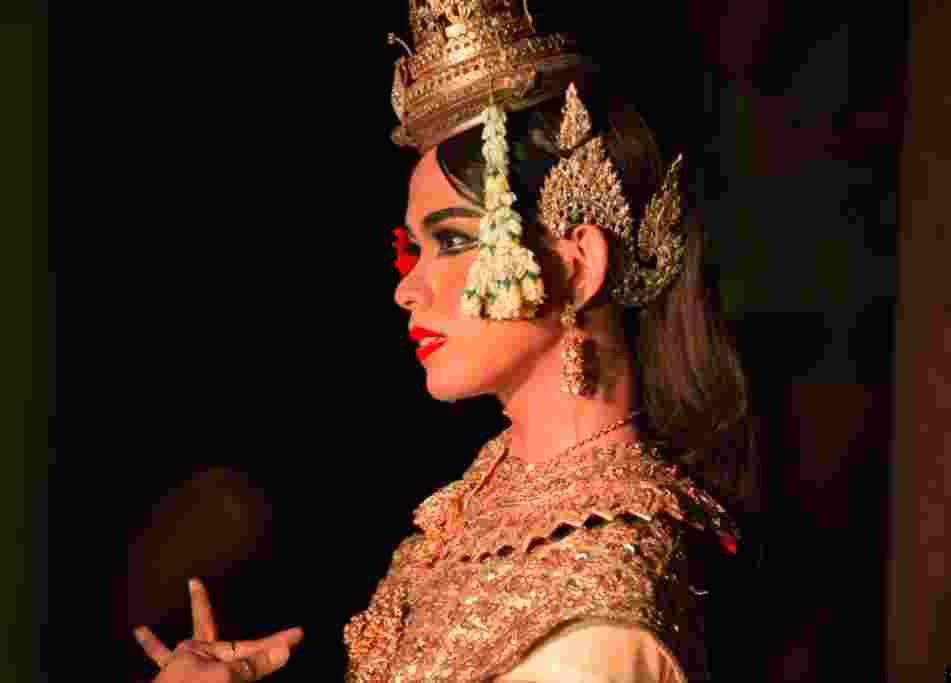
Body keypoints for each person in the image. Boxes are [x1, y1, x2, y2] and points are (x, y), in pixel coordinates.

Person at [134, 2, 753, 681]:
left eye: (454, 239)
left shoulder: (599, 628)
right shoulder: (490, 495)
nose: (408, 287)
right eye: (415, 247)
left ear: (578, 264)